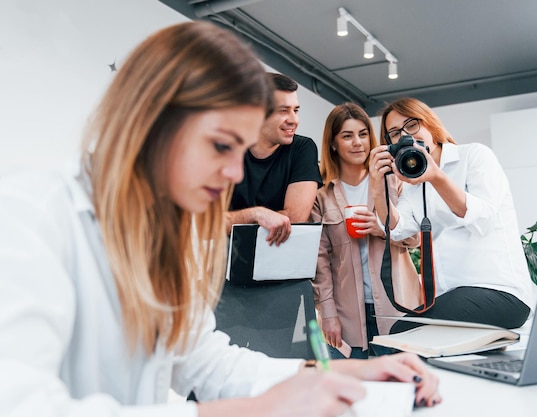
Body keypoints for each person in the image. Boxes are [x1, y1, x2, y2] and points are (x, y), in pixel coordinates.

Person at [0, 22, 441, 415]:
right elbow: (22, 404)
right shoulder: (30, 218)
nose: (234, 173)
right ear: (149, 125)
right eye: (220, 146)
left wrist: (340, 377)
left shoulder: (167, 233)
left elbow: (204, 361)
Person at [370, 97, 535, 334]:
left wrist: (436, 177)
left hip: (501, 292)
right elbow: (396, 229)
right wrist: (377, 186)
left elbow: (483, 220)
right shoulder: (412, 185)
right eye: (394, 133)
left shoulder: (475, 156)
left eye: (412, 125)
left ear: (430, 125)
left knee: (402, 333)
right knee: (404, 332)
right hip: (451, 297)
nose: (405, 135)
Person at [310, 103, 422, 359]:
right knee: (350, 389)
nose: (358, 142)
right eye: (347, 136)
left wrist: (382, 229)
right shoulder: (321, 197)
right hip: (347, 315)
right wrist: (327, 313)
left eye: (362, 134)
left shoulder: (395, 180)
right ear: (333, 144)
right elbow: (320, 263)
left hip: (398, 308)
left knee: (401, 387)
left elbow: (415, 238)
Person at [227, 73, 322, 246]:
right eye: (283, 110)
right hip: (225, 264)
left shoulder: (302, 148)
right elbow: (205, 223)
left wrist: (233, 219)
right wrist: (256, 214)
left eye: (296, 110)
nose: (294, 120)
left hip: (280, 264)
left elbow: (295, 217)